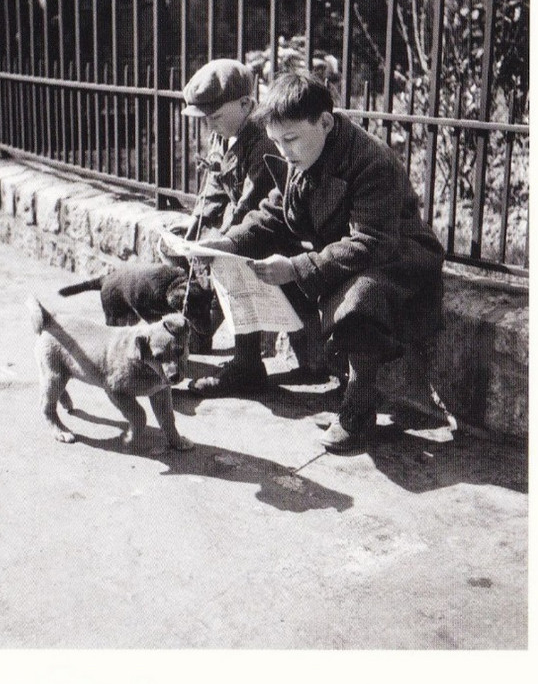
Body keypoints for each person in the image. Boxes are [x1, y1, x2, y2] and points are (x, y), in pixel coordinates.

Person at [197, 69, 445, 450]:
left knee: (360, 296)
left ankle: (359, 412)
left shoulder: (370, 161)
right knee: (245, 255)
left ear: (325, 122)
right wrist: (226, 244)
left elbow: (371, 242)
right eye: (277, 142)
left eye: (290, 140)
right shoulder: (302, 156)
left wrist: (296, 267)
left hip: (396, 256)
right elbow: (275, 213)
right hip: (343, 249)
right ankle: (247, 367)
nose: (284, 152)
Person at [167, 58, 282, 394]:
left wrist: (215, 240)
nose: (209, 126)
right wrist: (194, 230)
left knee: (232, 260)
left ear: (246, 104)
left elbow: (251, 203)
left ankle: (246, 363)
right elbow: (214, 188)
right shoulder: (227, 132)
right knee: (182, 249)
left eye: (214, 117)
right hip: (245, 222)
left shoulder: (263, 139)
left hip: (269, 228)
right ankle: (199, 328)